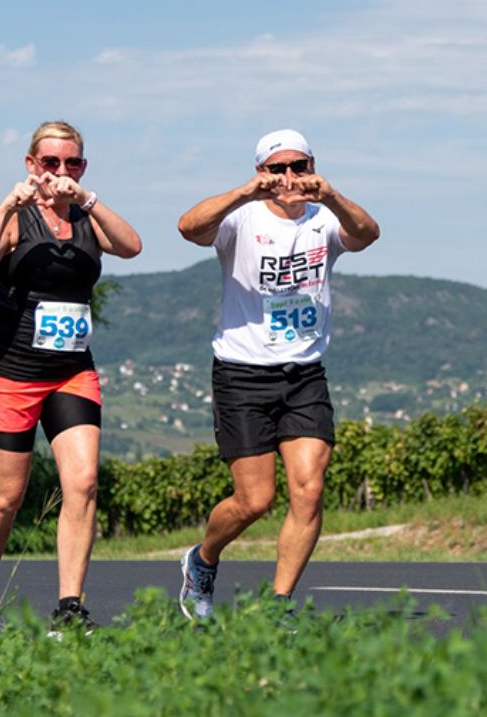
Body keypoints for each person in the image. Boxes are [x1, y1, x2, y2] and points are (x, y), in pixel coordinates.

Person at [176, 129, 380, 622]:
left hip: (304, 374)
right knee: (254, 500)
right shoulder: (241, 219)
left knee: (308, 489)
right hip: (243, 374)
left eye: (299, 167)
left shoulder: (325, 219)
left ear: (312, 167)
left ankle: (279, 604)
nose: (289, 178)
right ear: (262, 171)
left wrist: (329, 194)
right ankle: (202, 561)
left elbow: (368, 234)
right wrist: (246, 191)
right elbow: (188, 227)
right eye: (277, 168)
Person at [0, 120, 143, 633]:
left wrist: (87, 197)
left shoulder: (87, 217)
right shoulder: (15, 220)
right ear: (31, 166)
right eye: (51, 163)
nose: (60, 172)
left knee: (82, 484)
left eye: (72, 163)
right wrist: (6, 208)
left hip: (70, 372)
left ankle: (70, 606)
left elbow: (131, 246)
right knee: (7, 497)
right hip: (9, 374)